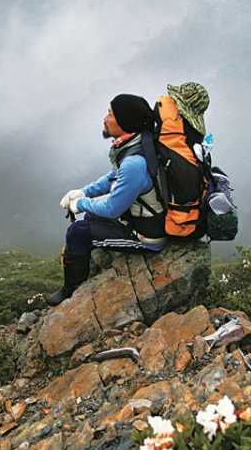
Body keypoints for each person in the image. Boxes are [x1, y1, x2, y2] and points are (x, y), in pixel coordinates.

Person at [46, 93, 167, 307]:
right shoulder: (139, 143)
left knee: (77, 232)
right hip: (139, 219)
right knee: (91, 216)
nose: (105, 118)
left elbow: (112, 208)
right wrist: (83, 192)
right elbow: (113, 176)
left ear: (125, 122)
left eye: (111, 113)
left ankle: (71, 290)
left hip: (146, 237)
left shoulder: (134, 163)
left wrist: (79, 204)